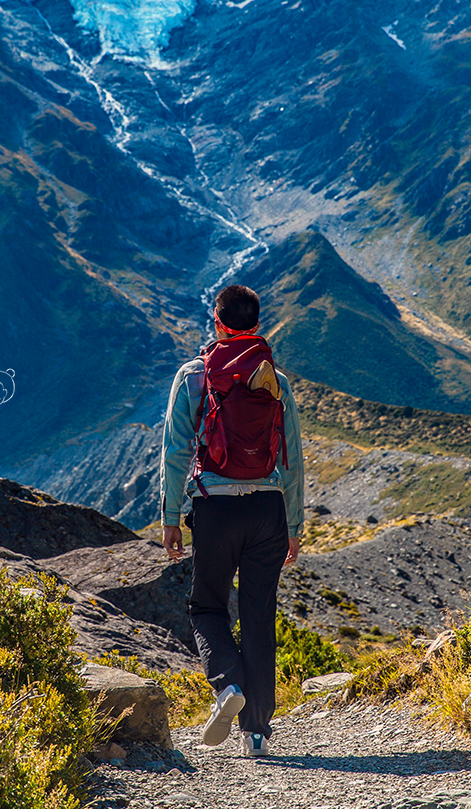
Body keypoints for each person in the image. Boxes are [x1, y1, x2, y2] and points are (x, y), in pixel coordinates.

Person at [160, 283, 305, 757]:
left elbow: (176, 449)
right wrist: (294, 525)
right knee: (259, 616)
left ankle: (226, 686)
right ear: (256, 324)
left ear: (218, 322)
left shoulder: (193, 375)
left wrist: (171, 516)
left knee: (207, 607)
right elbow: (293, 459)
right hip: (267, 509)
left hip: (216, 508)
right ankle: (257, 733)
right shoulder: (276, 381)